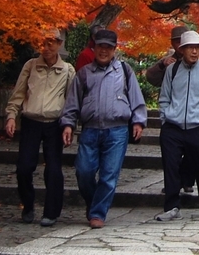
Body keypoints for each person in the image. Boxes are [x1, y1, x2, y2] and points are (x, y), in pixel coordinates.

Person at [60, 28, 147, 229]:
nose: (104, 51)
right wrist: (67, 124)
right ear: (95, 47)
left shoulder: (124, 71)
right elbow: (72, 102)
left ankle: (98, 213)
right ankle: (94, 204)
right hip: (90, 129)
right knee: (83, 171)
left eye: (108, 47)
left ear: (114, 49)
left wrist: (138, 121)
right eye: (100, 46)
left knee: (109, 175)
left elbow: (136, 98)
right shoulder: (84, 74)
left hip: (117, 130)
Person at [5, 28, 75, 226]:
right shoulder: (30, 66)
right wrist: (11, 115)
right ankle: (27, 205)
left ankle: (51, 212)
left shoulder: (67, 70)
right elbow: (18, 93)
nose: (47, 47)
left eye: (52, 42)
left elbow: (71, 100)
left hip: (55, 123)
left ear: (59, 44)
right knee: (24, 167)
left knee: (53, 169)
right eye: (43, 43)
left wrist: (69, 124)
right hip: (31, 121)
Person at [155, 31, 199, 221]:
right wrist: (164, 117)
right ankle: (172, 205)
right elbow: (164, 97)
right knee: (171, 166)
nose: (194, 51)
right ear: (181, 50)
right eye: (190, 48)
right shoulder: (172, 70)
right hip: (172, 126)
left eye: (197, 48)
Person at [145, 24, 195, 195]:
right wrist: (162, 65)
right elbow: (150, 77)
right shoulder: (168, 62)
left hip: (194, 114)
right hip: (173, 112)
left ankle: (187, 180)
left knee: (192, 153)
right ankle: (172, 184)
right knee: (170, 155)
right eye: (176, 42)